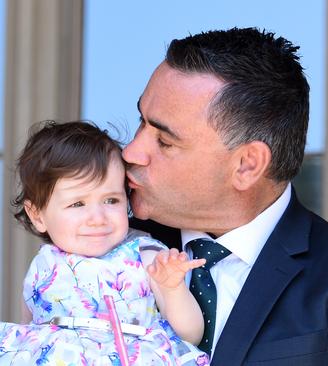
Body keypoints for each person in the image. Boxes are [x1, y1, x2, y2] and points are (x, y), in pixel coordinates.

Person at [126, 27, 328, 365]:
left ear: (247, 165)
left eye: (165, 142)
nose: (131, 152)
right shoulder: (94, 243)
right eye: (142, 123)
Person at [0, 121, 210, 365]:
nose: (97, 219)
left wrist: (173, 288)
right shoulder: (44, 263)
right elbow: (30, 334)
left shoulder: (145, 253)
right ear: (37, 215)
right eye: (77, 204)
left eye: (111, 200)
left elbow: (191, 334)